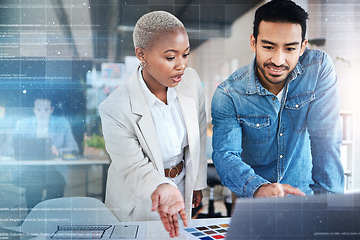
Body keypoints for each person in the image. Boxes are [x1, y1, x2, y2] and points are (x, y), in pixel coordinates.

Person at [211, 0, 344, 199]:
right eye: (269, 47)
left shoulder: (317, 69)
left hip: (304, 200)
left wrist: (329, 208)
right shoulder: (229, 94)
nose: (278, 60)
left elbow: (326, 140)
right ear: (253, 42)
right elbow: (225, 155)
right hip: (255, 203)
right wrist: (258, 188)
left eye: (289, 49)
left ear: (302, 47)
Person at [99, 11, 207, 238]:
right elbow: (133, 167)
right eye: (170, 57)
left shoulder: (191, 82)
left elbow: (198, 134)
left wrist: (196, 181)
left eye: (185, 55)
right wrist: (163, 187)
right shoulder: (115, 108)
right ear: (142, 55)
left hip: (180, 188)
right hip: (138, 199)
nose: (181, 65)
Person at [8, 97, 79, 211]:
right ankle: (33, 219)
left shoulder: (62, 124)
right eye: (39, 109)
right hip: (29, 169)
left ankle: (51, 219)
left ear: (51, 110)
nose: (42, 113)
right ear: (34, 110)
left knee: (55, 184)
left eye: (46, 109)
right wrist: (19, 152)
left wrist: (58, 152)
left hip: (54, 169)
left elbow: (73, 148)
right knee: (34, 183)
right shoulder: (22, 124)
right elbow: (8, 146)